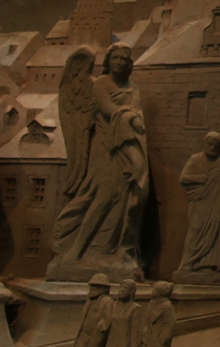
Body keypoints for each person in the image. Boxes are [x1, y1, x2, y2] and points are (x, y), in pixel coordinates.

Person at [48, 43, 149, 282]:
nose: (119, 63)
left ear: (129, 64)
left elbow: (138, 112)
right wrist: (130, 118)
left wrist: (134, 119)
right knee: (102, 196)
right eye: (115, 58)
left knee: (126, 198)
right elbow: (108, 108)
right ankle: (75, 250)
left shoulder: (133, 87)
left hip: (127, 146)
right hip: (105, 148)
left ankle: (110, 251)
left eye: (123, 59)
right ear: (108, 61)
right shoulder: (100, 84)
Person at [174, 131, 220, 285]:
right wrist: (198, 179)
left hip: (216, 205)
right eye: (210, 144)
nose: (213, 148)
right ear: (205, 144)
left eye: (216, 146)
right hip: (199, 205)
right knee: (195, 233)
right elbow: (183, 178)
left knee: (215, 234)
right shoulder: (195, 159)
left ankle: (207, 267)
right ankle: (186, 266)